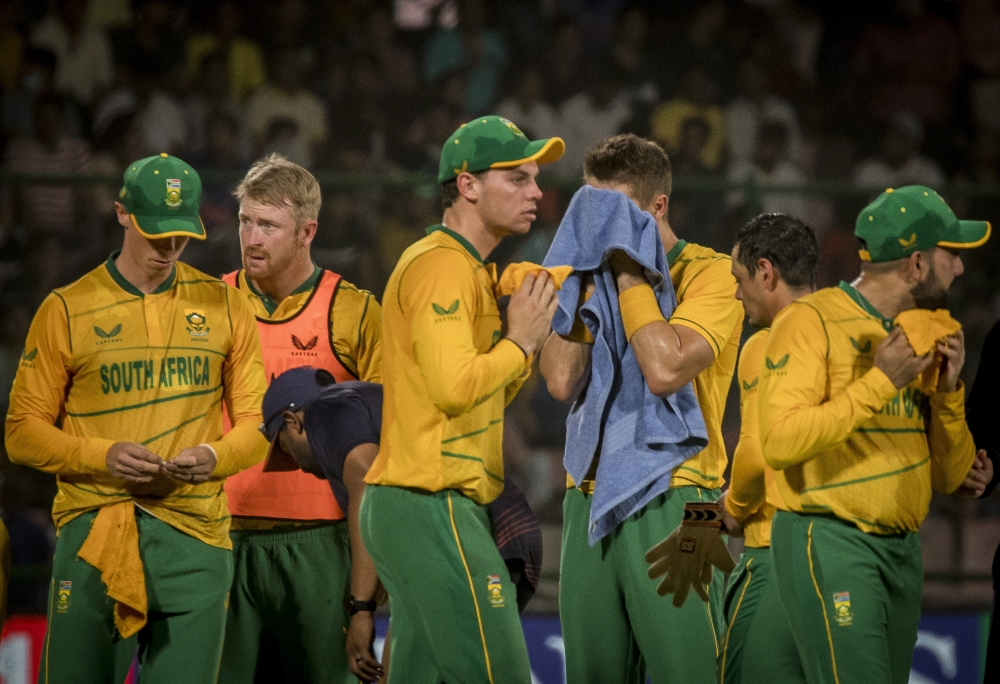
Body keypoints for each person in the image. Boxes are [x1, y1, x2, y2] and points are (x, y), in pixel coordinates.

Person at [4, 153, 268, 683]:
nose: (169, 249)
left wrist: (214, 457)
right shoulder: (66, 308)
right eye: (156, 233)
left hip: (196, 541)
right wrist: (103, 456)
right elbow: (21, 433)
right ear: (122, 213)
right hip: (95, 532)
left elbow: (256, 426)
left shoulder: (225, 304)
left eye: (181, 236)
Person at [757, 185, 991, 684]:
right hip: (834, 540)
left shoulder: (924, 333)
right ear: (917, 265)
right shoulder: (809, 321)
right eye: (952, 254)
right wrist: (882, 381)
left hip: (903, 550)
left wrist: (949, 393)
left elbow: (951, 478)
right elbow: (780, 442)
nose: (962, 267)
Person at [360, 115, 561, 683]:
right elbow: (456, 390)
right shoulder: (443, 265)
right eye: (518, 178)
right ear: (468, 185)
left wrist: (524, 343)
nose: (537, 193)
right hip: (432, 502)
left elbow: (481, 397)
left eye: (536, 179)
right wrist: (520, 341)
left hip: (420, 502)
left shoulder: (465, 268)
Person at [539, 133, 744, 684]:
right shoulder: (590, 280)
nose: (600, 226)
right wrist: (583, 280)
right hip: (586, 496)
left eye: (615, 211)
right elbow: (560, 380)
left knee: (690, 673)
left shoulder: (714, 275)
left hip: (685, 498)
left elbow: (664, 369)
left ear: (657, 207)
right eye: (590, 208)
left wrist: (631, 270)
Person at [259, 366, 546, 681]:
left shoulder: (327, 408)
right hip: (450, 547)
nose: (295, 465)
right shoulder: (365, 409)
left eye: (284, 447)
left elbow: (368, 487)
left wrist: (362, 609)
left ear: (293, 422)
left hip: (475, 536)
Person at [217, 154, 382, 684]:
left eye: (268, 224)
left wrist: (372, 571)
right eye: (245, 221)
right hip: (224, 539)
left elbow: (391, 438)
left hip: (322, 545)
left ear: (307, 231)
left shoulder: (352, 311)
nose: (251, 237)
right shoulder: (208, 303)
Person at [718, 212, 818, 684]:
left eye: (741, 280)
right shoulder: (851, 329)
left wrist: (728, 512)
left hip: (774, 556)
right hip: (842, 557)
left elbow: (755, 455)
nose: (737, 294)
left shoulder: (766, 343)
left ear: (766, 272)